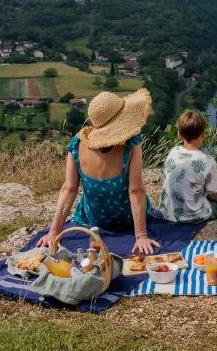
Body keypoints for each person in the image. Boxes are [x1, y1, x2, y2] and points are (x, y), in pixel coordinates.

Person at [38, 89, 160, 255]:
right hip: (128, 218)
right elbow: (135, 190)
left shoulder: (76, 145)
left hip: (94, 219)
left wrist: (53, 233)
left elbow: (69, 189)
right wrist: (141, 236)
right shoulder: (131, 144)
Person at [159, 110, 217, 223]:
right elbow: (214, 196)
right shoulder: (207, 161)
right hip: (194, 218)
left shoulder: (173, 152)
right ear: (203, 133)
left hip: (168, 214)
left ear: (179, 134)